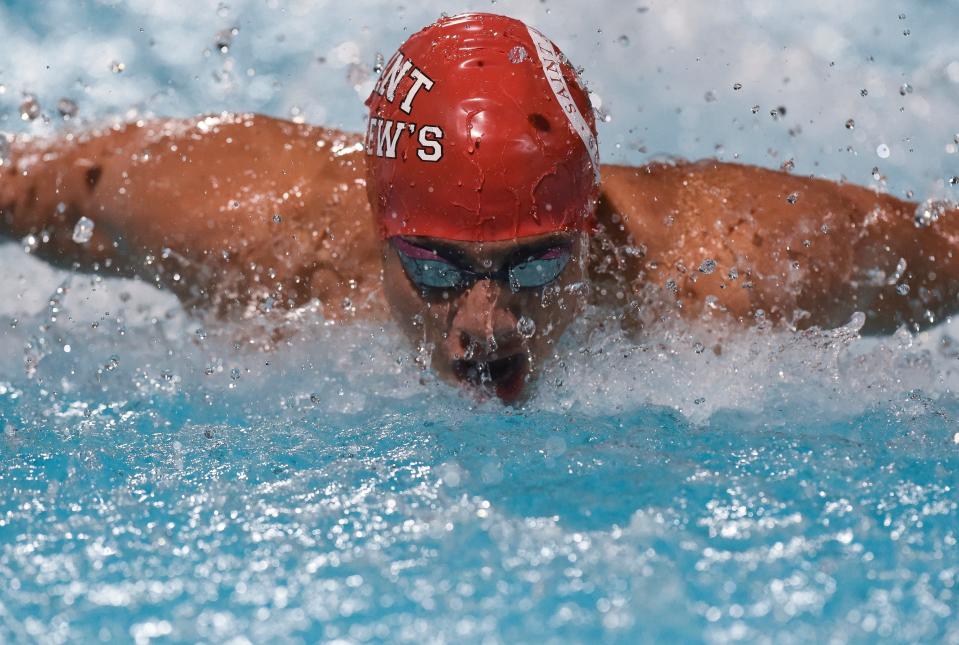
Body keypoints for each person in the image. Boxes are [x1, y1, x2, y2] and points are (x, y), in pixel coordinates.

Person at [1, 13, 957, 402]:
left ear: (588, 233)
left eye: (536, 265)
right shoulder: (240, 217)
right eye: (435, 271)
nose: (486, 330)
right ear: (379, 236)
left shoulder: (735, 260)